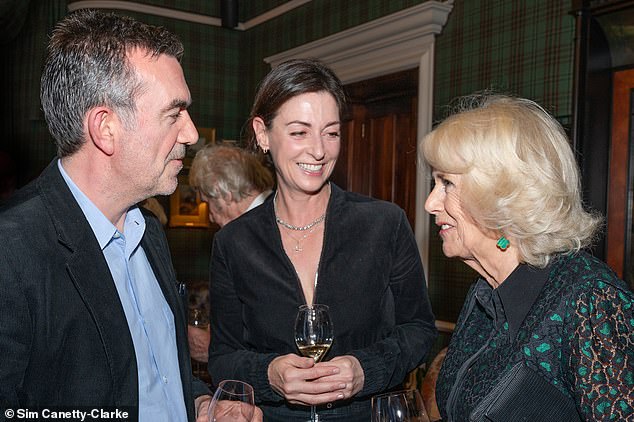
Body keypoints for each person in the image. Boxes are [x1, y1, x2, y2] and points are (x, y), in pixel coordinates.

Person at [0, 10, 226, 422]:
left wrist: (196, 403)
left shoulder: (149, 230)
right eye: (174, 113)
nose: (192, 133)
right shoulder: (12, 250)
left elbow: (151, 368)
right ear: (105, 128)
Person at [207, 58, 437, 421]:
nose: (319, 150)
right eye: (299, 132)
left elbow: (420, 331)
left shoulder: (383, 223)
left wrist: (365, 369)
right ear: (263, 134)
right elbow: (223, 357)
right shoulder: (234, 242)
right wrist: (270, 374)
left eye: (331, 133)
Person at [421, 94, 634, 421]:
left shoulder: (592, 301)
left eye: (446, 183)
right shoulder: (484, 293)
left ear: (501, 194)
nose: (430, 203)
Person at [187, 144, 274, 362]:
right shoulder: (257, 223)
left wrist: (218, 351)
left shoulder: (268, 224)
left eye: (207, 203)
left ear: (220, 189)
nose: (210, 218)